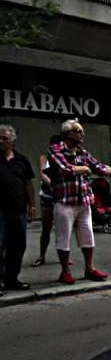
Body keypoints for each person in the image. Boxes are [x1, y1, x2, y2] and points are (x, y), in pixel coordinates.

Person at [48, 119, 111, 285]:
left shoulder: (82, 152)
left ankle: (89, 268)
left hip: (84, 201)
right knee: (63, 237)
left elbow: (99, 166)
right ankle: (65, 271)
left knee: (88, 236)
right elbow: (65, 169)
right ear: (68, 134)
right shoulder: (56, 149)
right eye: (79, 131)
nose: (83, 134)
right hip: (65, 201)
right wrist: (86, 169)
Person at [0, 124, 35, 293]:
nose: (0, 141)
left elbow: (28, 184)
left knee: (18, 245)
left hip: (18, 210)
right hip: (1, 210)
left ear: (12, 141)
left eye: (4, 138)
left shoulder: (22, 160)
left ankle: (11, 279)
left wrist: (32, 206)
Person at [32, 135, 63, 267]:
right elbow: (43, 175)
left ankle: (64, 257)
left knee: (62, 228)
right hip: (47, 195)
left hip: (60, 196)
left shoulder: (64, 158)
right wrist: (54, 184)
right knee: (46, 228)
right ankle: (42, 255)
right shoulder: (44, 158)